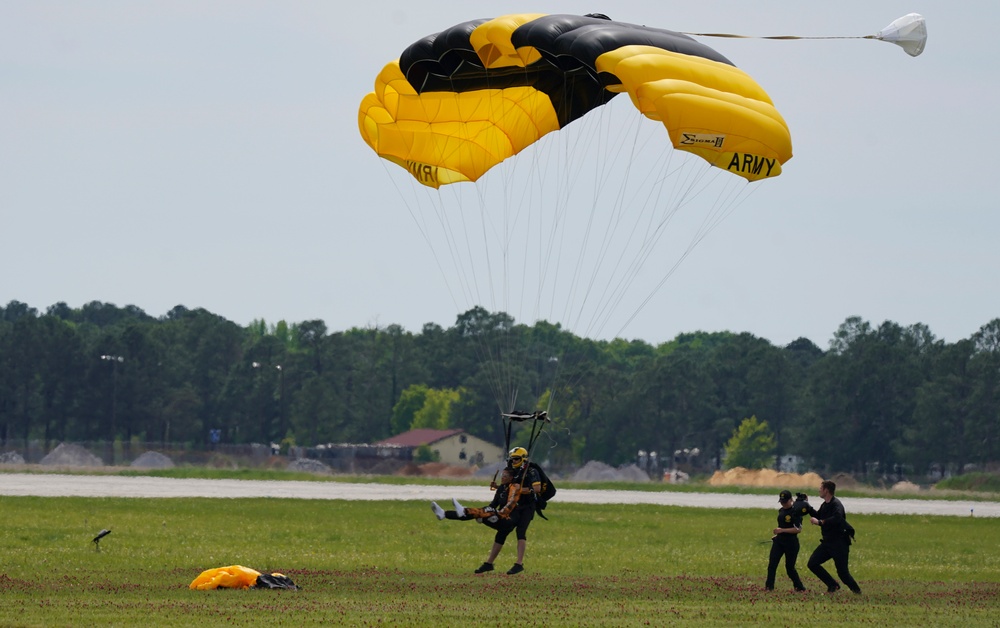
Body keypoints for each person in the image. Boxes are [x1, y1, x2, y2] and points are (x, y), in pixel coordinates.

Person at [470, 447, 542, 575]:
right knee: (502, 531)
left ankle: (519, 564)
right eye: (512, 459)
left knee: (521, 532)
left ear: (523, 459)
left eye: (516, 459)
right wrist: (498, 487)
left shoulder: (531, 471)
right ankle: (489, 563)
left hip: (527, 506)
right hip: (515, 506)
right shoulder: (514, 470)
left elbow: (537, 488)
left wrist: (523, 490)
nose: (513, 461)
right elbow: (510, 487)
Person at [804, 480, 861, 594]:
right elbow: (818, 515)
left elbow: (837, 518)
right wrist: (807, 506)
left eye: (821, 488)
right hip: (827, 543)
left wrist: (820, 522)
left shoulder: (836, 504)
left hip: (839, 543)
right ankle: (832, 585)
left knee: (843, 573)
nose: (819, 490)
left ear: (826, 490)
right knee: (813, 563)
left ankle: (857, 591)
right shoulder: (825, 505)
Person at [765, 490, 806, 591]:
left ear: (791, 500)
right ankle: (769, 587)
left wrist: (782, 530)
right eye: (782, 502)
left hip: (791, 543)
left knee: (790, 568)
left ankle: (800, 587)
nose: (783, 504)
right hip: (779, 542)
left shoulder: (796, 512)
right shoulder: (781, 511)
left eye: (785, 502)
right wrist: (778, 534)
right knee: (772, 565)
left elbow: (798, 529)